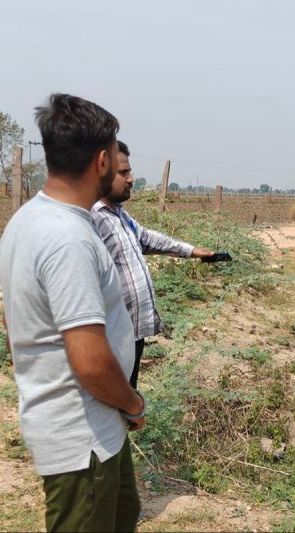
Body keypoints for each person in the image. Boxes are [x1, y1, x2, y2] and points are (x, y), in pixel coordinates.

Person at [0, 93, 145, 532]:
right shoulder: (69, 240)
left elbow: (14, 320)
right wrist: (134, 403)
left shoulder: (28, 220)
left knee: (124, 517)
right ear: (102, 160)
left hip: (96, 434)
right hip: (81, 441)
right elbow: (89, 361)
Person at [91, 140, 213, 387]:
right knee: (114, 401)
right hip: (110, 337)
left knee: (125, 400)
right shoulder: (92, 218)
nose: (131, 179)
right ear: (101, 171)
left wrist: (191, 251)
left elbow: (146, 238)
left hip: (130, 333)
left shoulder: (118, 214)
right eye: (123, 172)